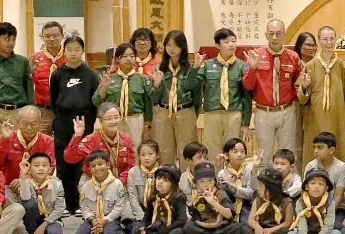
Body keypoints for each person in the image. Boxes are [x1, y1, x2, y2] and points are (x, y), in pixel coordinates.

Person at [51, 37, 103, 214]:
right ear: (64, 51)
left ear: (82, 51)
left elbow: (94, 101)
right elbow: (53, 99)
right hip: (63, 124)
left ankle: (81, 202)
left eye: (77, 49)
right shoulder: (57, 74)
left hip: (85, 123)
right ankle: (66, 204)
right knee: (63, 163)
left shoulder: (90, 74)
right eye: (69, 49)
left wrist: (90, 123)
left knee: (81, 163)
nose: (73, 53)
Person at [242, 19, 302, 165]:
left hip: (286, 111)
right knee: (264, 155)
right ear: (266, 35)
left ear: (284, 35)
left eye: (278, 33)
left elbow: (298, 84)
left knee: (288, 153)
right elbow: (248, 86)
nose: (275, 37)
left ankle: (287, 186)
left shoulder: (293, 57)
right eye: (271, 34)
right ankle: (265, 186)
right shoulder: (256, 55)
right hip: (263, 112)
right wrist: (253, 68)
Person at [298, 26, 345, 162]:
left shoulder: (342, 66)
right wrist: (305, 88)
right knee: (315, 155)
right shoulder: (310, 66)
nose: (329, 43)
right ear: (318, 41)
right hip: (315, 118)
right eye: (325, 39)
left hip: (338, 118)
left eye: (332, 39)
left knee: (337, 154)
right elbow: (302, 99)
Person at [199, 28, 252, 160]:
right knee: (212, 150)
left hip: (233, 114)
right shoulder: (207, 65)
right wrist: (195, 68)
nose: (231, 44)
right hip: (212, 113)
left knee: (233, 150)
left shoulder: (242, 66)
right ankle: (215, 179)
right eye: (226, 41)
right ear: (218, 45)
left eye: (234, 41)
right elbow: (192, 84)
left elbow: (246, 96)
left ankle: (233, 178)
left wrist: (246, 122)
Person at [152, 30, 202, 167]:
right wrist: (156, 85)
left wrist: (192, 113)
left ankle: (188, 183)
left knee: (187, 150)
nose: (171, 49)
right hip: (163, 112)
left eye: (175, 45)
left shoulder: (191, 67)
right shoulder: (159, 68)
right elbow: (154, 98)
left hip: (185, 110)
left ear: (182, 46)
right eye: (168, 45)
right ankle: (167, 180)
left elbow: (197, 93)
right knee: (164, 150)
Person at [95, 42, 153, 145]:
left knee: (134, 152)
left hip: (135, 119)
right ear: (117, 59)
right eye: (124, 56)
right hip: (113, 120)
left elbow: (148, 105)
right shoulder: (109, 78)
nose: (128, 59)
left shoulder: (142, 79)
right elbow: (96, 101)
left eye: (132, 56)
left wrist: (147, 127)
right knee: (113, 149)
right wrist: (104, 87)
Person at [283, 169, 345, 234]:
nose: (317, 187)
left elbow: (328, 226)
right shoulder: (300, 202)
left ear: (326, 188)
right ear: (306, 187)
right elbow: (301, 225)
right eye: (313, 183)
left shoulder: (330, 202)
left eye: (321, 184)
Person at [181, 161, 242, 234]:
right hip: (205, 229)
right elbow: (196, 221)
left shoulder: (220, 193)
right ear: (196, 183)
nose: (206, 184)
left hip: (222, 228)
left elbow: (229, 215)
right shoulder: (197, 197)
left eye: (210, 180)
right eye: (202, 181)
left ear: (214, 181)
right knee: (187, 228)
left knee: (239, 228)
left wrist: (213, 202)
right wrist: (211, 225)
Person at [123, 164, 187, 234]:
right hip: (155, 227)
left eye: (165, 180)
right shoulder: (153, 197)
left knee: (179, 232)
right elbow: (147, 219)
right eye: (158, 178)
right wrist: (144, 228)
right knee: (135, 230)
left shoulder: (179, 197)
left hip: (170, 228)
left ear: (173, 184)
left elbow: (181, 221)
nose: (160, 182)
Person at [0, 105, 55, 184]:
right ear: (17, 122)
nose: (29, 128)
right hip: (9, 185)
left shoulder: (47, 141)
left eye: (33, 124)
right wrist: (4, 140)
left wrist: (25, 181)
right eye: (25, 123)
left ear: (40, 123)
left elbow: (50, 168)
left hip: (36, 185)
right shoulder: (8, 137)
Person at [74, 150, 127, 234]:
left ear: (108, 165)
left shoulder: (117, 184)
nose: (97, 168)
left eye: (100, 164)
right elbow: (84, 207)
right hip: (93, 219)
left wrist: (105, 220)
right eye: (93, 166)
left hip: (110, 218)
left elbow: (119, 207)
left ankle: (119, 230)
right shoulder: (86, 186)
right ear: (89, 169)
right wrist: (92, 220)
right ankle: (98, 230)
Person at [240, 168, 295, 234]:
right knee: (244, 228)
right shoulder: (257, 200)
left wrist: (272, 230)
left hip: (275, 231)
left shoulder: (286, 202)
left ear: (271, 188)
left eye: (261, 186)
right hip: (261, 230)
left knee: (287, 233)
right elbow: (251, 220)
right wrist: (257, 227)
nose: (258, 188)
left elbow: (288, 223)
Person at [14, 153, 65, 234]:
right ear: (29, 170)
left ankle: (42, 232)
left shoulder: (57, 184)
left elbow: (59, 209)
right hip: (33, 219)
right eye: (36, 165)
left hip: (51, 219)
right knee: (28, 203)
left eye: (44, 165)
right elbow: (25, 199)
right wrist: (23, 176)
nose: (41, 168)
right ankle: (32, 232)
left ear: (50, 169)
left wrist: (43, 226)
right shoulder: (26, 182)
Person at [31, 21, 67, 135]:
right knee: (40, 143)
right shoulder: (35, 58)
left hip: (65, 110)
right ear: (43, 37)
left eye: (55, 36)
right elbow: (27, 83)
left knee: (65, 144)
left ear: (62, 36)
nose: (51, 39)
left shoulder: (70, 57)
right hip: (43, 110)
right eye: (47, 36)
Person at [304, 132, 345, 224]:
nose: (315, 151)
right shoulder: (310, 166)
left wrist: (327, 214)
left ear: (331, 150)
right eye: (314, 147)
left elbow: (338, 196)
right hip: (313, 207)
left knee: (337, 227)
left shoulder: (341, 167)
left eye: (319, 147)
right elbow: (305, 193)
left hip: (336, 208)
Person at [124, 140, 160, 234]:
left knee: (158, 226)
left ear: (157, 155)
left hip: (158, 210)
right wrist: (142, 217)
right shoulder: (133, 172)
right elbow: (133, 197)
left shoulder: (162, 171)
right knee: (136, 228)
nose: (146, 158)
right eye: (143, 155)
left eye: (150, 154)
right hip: (140, 210)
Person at [218, 138, 257, 224]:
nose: (239, 155)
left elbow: (251, 194)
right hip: (229, 206)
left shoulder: (250, 168)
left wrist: (233, 186)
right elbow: (218, 192)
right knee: (222, 186)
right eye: (235, 152)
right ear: (226, 155)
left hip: (247, 204)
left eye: (242, 151)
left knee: (247, 225)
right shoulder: (222, 173)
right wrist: (220, 166)